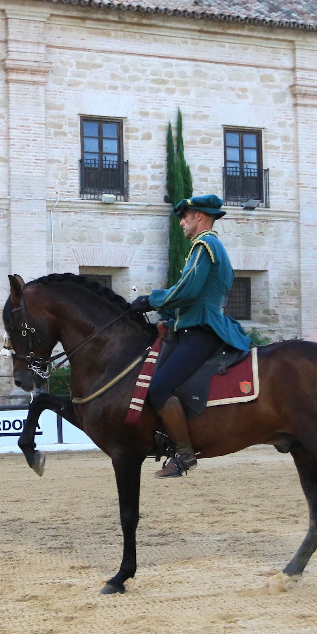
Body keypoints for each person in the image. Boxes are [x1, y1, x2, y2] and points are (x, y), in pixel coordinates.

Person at [130, 194, 251, 478]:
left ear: (199, 216)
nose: (182, 222)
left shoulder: (205, 244)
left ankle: (184, 454)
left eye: (185, 216)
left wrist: (151, 300)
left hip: (202, 330)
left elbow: (188, 289)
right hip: (194, 324)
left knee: (159, 387)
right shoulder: (209, 246)